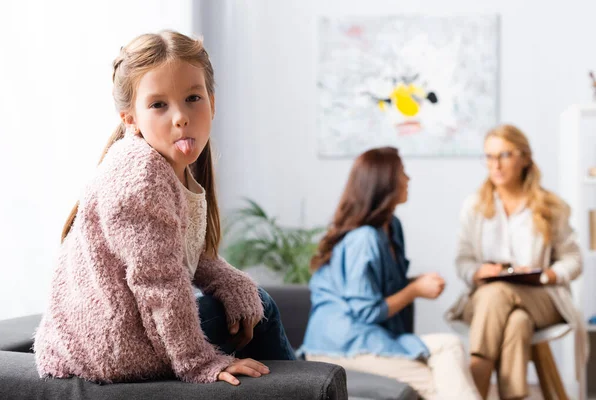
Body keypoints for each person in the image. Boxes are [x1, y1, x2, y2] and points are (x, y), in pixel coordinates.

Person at [34, 31, 295, 386]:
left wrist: (231, 282)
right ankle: (305, 383)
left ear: (212, 103)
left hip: (121, 333)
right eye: (159, 105)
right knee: (264, 308)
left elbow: (180, 252)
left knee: (252, 301)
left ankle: (298, 379)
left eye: (192, 98)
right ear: (130, 118)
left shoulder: (170, 168)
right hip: (113, 345)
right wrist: (199, 363)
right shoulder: (139, 175)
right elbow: (158, 283)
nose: (180, 117)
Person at [301, 147, 480, 400]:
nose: (408, 179)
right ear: (385, 183)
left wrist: (415, 284)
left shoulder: (392, 227)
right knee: (437, 376)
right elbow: (367, 311)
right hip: (341, 345)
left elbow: (379, 288)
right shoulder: (363, 239)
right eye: (402, 173)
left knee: (448, 350)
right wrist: (415, 290)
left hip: (371, 339)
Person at [447, 124, 588, 399]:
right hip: (488, 301)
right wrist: (478, 271)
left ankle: (475, 387)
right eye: (489, 156)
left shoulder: (551, 206)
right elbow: (462, 260)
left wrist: (546, 274)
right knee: (516, 322)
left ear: (524, 157)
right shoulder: (474, 205)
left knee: (499, 294)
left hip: (541, 298)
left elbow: (573, 260)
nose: (495, 165)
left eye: (504, 155)